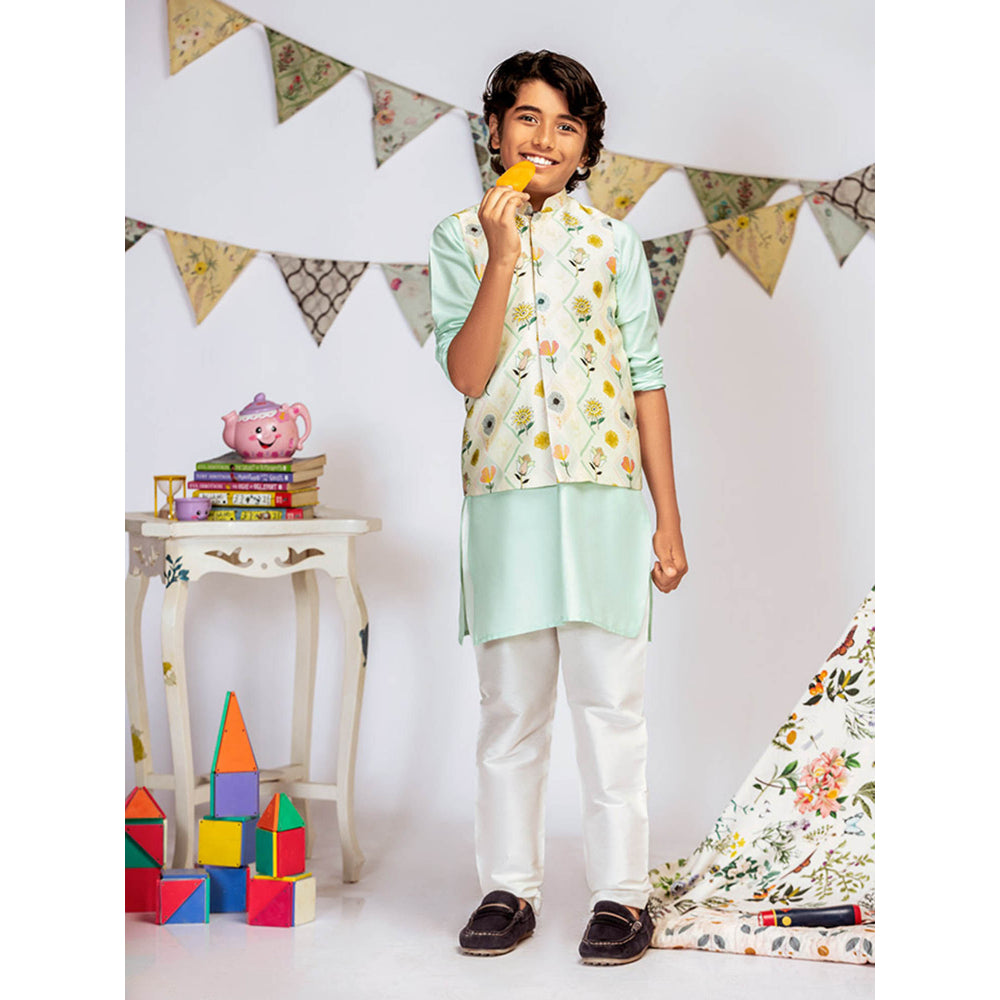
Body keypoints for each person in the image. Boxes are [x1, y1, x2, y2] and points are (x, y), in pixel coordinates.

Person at [428, 50, 687, 966]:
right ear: (495, 129)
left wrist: (669, 519)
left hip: (606, 502)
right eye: (528, 118)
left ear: (586, 146)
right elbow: (467, 374)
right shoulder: (457, 238)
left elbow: (647, 380)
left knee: (612, 705)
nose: (545, 139)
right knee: (511, 709)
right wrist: (501, 258)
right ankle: (509, 888)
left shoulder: (615, 245)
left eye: (566, 125)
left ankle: (622, 896)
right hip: (507, 505)